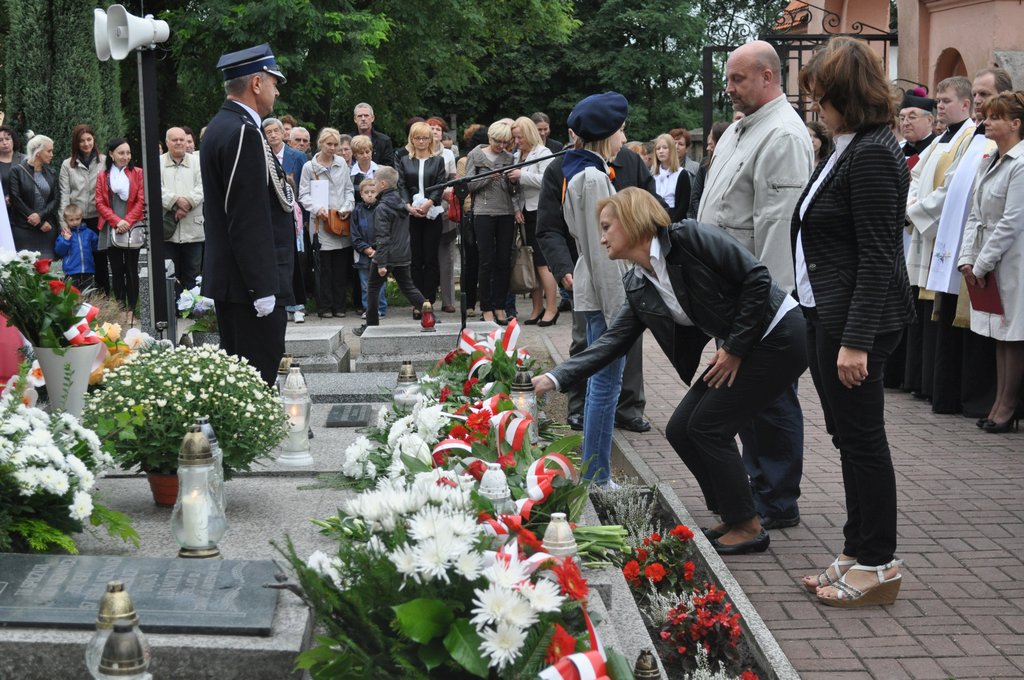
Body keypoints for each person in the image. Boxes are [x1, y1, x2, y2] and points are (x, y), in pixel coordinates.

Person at [537, 187, 806, 552]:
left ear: (632, 222)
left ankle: (748, 526)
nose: (601, 238)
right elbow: (612, 342)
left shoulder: (688, 237)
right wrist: (553, 378)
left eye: (607, 227)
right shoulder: (639, 281)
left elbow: (757, 278)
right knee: (682, 429)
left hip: (779, 335)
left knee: (708, 427)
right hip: (745, 345)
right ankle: (733, 512)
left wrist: (733, 348)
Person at [793, 36, 915, 607]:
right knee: (847, 438)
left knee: (863, 441)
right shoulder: (847, 147)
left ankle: (878, 562)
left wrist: (856, 341)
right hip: (829, 313)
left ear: (846, 94)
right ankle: (855, 548)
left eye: (820, 96)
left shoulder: (872, 154)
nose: (815, 106)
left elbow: (878, 254)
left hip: (856, 324)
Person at [698, 40, 814, 531]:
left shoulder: (783, 135)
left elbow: (778, 229)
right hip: (730, 294)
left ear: (768, 77)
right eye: (727, 79)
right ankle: (755, 484)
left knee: (771, 397)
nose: (728, 88)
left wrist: (765, 309)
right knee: (743, 396)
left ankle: (777, 497)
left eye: (737, 79)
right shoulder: (739, 129)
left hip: (759, 300)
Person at [200, 44, 295, 385]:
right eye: (273, 82)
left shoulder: (223, 125)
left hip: (237, 284)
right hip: (249, 287)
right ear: (256, 83)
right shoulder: (243, 131)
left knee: (242, 381)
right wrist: (261, 287)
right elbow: (247, 216)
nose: (276, 90)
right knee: (258, 379)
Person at [904, 76, 976, 407]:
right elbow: (916, 177)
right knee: (920, 309)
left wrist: (914, 213)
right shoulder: (940, 139)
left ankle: (936, 386)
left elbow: (951, 189)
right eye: (939, 100)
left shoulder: (969, 139)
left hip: (939, 235)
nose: (940, 106)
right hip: (923, 230)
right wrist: (910, 207)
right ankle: (920, 381)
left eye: (946, 101)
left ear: (965, 104)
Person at [958, 90, 1024, 434]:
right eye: (987, 116)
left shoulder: (1021, 164)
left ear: (1015, 124)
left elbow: (1012, 222)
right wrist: (967, 259)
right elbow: (975, 214)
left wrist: (981, 264)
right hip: (989, 256)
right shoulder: (989, 160)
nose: (986, 122)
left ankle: (1008, 406)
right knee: (999, 332)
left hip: (1014, 260)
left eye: (996, 117)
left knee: (1014, 333)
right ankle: (999, 401)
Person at [353, 166, 427, 337]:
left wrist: (381, 263)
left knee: (372, 288)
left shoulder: (382, 208)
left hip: (386, 254)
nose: (374, 185)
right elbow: (403, 208)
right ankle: (430, 315)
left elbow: (383, 237)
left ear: (383, 184)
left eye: (375, 182)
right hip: (403, 253)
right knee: (409, 287)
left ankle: (371, 325)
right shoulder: (401, 202)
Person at [465, 121, 520, 325]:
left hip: (505, 212)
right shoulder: (475, 155)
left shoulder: (509, 158)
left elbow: (515, 191)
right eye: (498, 141)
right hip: (483, 212)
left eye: (506, 142)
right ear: (490, 137)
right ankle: (486, 307)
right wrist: (489, 177)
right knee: (485, 261)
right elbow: (468, 184)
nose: (501, 146)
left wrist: (512, 181)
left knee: (503, 261)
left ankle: (500, 306)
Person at [299, 127, 355, 318]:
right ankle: (324, 306)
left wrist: (347, 207)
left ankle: (340, 306)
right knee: (323, 268)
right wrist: (317, 209)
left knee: (340, 267)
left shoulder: (342, 163)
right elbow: (303, 195)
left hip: (340, 220)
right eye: (329, 144)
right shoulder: (309, 167)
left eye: (335, 144)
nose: (332, 148)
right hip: (321, 222)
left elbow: (349, 190)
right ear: (320, 144)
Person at [507, 116, 557, 325]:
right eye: (515, 137)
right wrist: (516, 208)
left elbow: (547, 180)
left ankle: (552, 308)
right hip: (524, 213)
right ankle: (537, 308)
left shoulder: (543, 153)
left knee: (543, 263)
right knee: (531, 262)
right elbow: (514, 189)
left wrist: (521, 175)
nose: (517, 141)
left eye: (520, 137)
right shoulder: (517, 156)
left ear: (529, 134)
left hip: (541, 212)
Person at [394, 121, 447, 315]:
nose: (422, 142)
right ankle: (417, 302)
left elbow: (441, 184)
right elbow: (401, 185)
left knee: (430, 258)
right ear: (412, 139)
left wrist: (429, 203)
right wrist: (408, 206)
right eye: (418, 138)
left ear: (430, 139)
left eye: (425, 138)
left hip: (432, 213)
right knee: (415, 258)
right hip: (412, 214)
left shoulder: (438, 160)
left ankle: (429, 300)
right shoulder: (404, 160)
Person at [95, 137, 145, 316]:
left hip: (132, 226)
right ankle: (120, 308)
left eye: (128, 153)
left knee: (131, 269)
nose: (126, 156)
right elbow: (100, 202)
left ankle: (131, 308)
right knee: (116, 270)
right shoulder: (103, 176)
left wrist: (127, 221)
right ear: (111, 154)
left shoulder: (138, 173)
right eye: (121, 153)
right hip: (111, 226)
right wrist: (117, 221)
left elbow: (141, 200)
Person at [58, 124, 107, 294]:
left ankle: (103, 297)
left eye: (89, 139)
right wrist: (64, 223)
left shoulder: (104, 161)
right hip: (76, 220)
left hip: (98, 218)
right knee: (77, 260)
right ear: (76, 143)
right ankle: (76, 297)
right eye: (81, 141)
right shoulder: (67, 165)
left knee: (100, 259)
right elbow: (64, 194)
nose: (86, 144)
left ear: (94, 140)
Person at [160, 127, 205, 294]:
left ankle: (193, 307)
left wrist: (187, 203)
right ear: (167, 142)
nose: (179, 143)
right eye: (174, 140)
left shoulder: (197, 162)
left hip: (193, 229)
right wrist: (175, 202)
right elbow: (156, 189)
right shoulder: (157, 163)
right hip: (168, 230)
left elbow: (203, 187)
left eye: (182, 139)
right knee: (170, 276)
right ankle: (172, 306)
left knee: (193, 275)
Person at [9, 134, 59, 258]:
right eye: (49, 151)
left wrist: (40, 216)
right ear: (38, 152)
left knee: (48, 267)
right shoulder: (16, 171)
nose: (52, 154)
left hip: (47, 228)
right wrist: (39, 222)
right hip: (23, 229)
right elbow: (16, 199)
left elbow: (56, 199)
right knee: (26, 266)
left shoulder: (52, 172)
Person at [351, 179, 387, 319]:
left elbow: (386, 231)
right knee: (365, 284)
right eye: (366, 192)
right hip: (363, 254)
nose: (370, 195)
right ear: (361, 194)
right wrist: (366, 249)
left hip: (380, 252)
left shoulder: (382, 209)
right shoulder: (357, 211)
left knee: (380, 284)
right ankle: (369, 309)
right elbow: (354, 235)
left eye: (373, 192)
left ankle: (381, 309)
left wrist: (378, 250)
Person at [687, 121, 730, 219]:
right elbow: (695, 196)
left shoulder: (731, 164)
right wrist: (702, 217)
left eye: (713, 137)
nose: (709, 141)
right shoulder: (705, 163)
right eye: (709, 136)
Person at [55, 203, 98, 291]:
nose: (75, 222)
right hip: (71, 271)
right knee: (72, 294)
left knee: (88, 294)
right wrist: (66, 240)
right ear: (65, 220)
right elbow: (59, 251)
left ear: (81, 217)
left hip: (88, 270)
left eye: (77, 219)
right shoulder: (65, 234)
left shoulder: (89, 232)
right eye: (71, 220)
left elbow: (95, 247)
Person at [650, 133, 691, 221]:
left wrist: (671, 224)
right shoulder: (653, 175)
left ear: (672, 150)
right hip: (655, 219)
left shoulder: (682, 174)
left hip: (675, 221)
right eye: (658, 148)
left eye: (665, 148)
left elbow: (683, 206)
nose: (661, 151)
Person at [899, 91, 938, 170]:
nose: (905, 123)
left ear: (929, 120)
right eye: (902, 118)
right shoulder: (897, 149)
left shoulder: (937, 150)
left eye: (912, 117)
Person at [352, 103, 395, 168]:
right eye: (360, 116)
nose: (363, 119)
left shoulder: (384, 141)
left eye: (366, 115)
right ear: (355, 119)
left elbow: (389, 167)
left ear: (372, 118)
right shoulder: (348, 141)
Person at [0, 125, 27, 209]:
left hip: (21, 210)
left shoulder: (25, 160)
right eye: (0, 140)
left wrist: (13, 198)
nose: (4, 143)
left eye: (7, 139)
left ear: (13, 140)